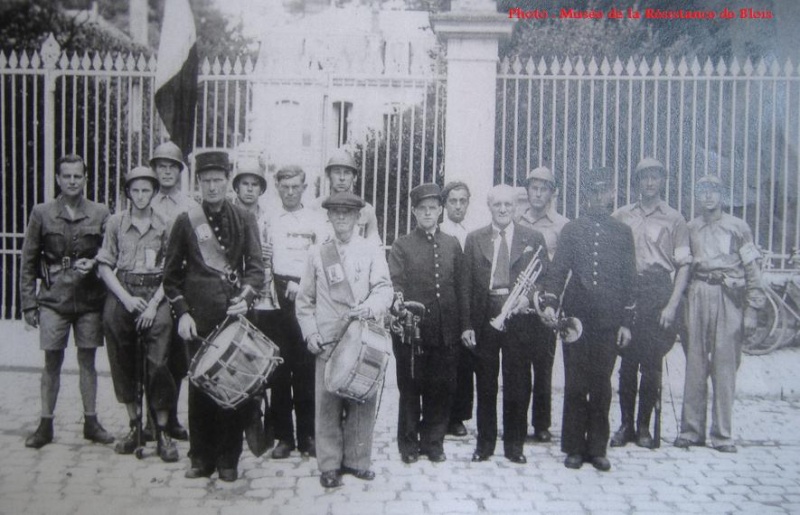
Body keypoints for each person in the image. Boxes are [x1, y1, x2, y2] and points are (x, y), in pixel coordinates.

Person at [163, 150, 265, 482]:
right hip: (198, 319)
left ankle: (228, 458)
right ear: (199, 183)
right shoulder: (185, 221)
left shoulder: (244, 219)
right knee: (199, 387)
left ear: (227, 181)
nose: (212, 187)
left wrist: (246, 298)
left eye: (218, 180)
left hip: (232, 317)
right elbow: (171, 278)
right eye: (206, 181)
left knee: (232, 387)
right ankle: (200, 457)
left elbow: (255, 270)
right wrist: (182, 314)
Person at [539, 167, 636, 471]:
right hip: (575, 320)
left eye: (603, 191)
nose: (598, 197)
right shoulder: (572, 230)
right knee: (576, 382)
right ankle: (574, 447)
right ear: (585, 196)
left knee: (602, 384)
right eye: (592, 191)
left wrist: (625, 323)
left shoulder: (622, 232)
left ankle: (597, 447)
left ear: (611, 195)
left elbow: (629, 280)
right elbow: (557, 271)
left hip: (608, 321)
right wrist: (552, 303)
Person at [296, 191, 393, 488]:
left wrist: (372, 306)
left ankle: (357, 461)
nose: (341, 217)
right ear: (328, 216)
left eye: (347, 213)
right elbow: (304, 301)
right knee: (327, 403)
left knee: (363, 399)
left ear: (357, 217)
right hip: (328, 338)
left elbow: (384, 289)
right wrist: (310, 332)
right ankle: (328, 465)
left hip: (362, 338)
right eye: (336, 212)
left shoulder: (371, 250)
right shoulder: (317, 253)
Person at [20, 154, 115, 449]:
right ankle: (45, 424)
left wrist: (96, 261)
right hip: (53, 299)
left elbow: (113, 250)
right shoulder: (42, 213)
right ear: (58, 179)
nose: (72, 181)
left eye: (78, 176)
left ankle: (91, 422)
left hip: (89, 300)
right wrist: (28, 304)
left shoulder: (100, 213)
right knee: (52, 361)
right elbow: (28, 260)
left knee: (88, 360)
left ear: (85, 179)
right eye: (67, 176)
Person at [674, 174, 764, 453]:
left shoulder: (738, 228)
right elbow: (684, 267)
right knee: (695, 364)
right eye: (702, 192)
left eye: (713, 191)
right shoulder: (690, 228)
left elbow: (752, 271)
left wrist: (751, 310)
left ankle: (722, 434)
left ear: (722, 195)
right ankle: (691, 430)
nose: (708, 197)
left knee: (725, 365)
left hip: (728, 296)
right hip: (699, 293)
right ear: (696, 196)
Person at [459, 184, 548, 464]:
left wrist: (531, 298)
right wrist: (467, 324)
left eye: (508, 205)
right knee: (485, 383)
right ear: (489, 207)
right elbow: (465, 287)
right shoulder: (475, 239)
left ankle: (514, 445)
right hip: (486, 318)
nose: (503, 209)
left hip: (519, 319)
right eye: (497, 204)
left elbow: (545, 277)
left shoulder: (533, 237)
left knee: (518, 383)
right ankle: (484, 445)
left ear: (516, 207)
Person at [97, 166, 178, 462]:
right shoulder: (115, 223)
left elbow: (172, 271)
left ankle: (162, 430)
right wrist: (127, 299)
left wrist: (155, 303)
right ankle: (134, 426)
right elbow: (105, 266)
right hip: (124, 292)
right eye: (135, 190)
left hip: (157, 293)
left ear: (154, 192)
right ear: (127, 193)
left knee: (158, 361)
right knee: (122, 359)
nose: (141, 196)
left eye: (146, 190)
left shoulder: (166, 224)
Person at [610, 158, 691, 449]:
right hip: (628, 290)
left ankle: (644, 426)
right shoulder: (621, 215)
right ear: (636, 181)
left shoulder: (675, 219)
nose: (649, 182)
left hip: (658, 292)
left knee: (652, 363)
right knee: (627, 363)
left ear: (663, 181)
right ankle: (625, 425)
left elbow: (683, 266)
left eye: (655, 177)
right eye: (644, 177)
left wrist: (671, 306)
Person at [389, 183, 464, 463]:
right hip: (413, 331)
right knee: (410, 388)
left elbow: (461, 286)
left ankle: (434, 443)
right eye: (423, 208)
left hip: (445, 330)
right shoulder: (401, 245)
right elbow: (395, 283)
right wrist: (400, 310)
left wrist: (462, 325)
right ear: (414, 212)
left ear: (441, 210)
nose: (428, 213)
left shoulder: (452, 244)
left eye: (433, 208)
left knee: (440, 388)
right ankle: (408, 445)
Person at [265, 165, 325, 459]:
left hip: (305, 296)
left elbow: (321, 261)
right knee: (278, 367)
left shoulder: (316, 221)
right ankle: (283, 437)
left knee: (305, 368)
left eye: (295, 187)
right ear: (277, 187)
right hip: (275, 297)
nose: (290, 192)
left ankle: (307, 435)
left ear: (305, 187)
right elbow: (263, 259)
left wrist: (301, 287)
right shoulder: (269, 219)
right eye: (284, 187)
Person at [148, 140, 198, 441]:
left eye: (172, 167)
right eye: (161, 167)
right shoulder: (144, 200)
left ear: (180, 171)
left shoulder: (190, 206)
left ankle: (174, 418)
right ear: (154, 170)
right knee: (154, 356)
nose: (166, 172)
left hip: (180, 287)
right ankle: (153, 421)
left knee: (179, 357)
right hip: (149, 287)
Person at [516, 166, 570, 444]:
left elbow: (562, 268)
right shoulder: (517, 219)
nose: (538, 193)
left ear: (552, 192)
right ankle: (518, 422)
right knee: (519, 365)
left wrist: (554, 303)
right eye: (533, 188)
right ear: (527, 191)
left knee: (544, 365)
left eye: (544, 189)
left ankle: (542, 423)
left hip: (547, 303)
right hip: (520, 300)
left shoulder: (561, 225)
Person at [231, 156, 277, 454]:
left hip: (263, 293)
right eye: (244, 184)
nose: (249, 190)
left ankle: (259, 415)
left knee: (262, 354)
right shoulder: (229, 214)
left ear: (261, 189)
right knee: (238, 355)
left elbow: (271, 256)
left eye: (254, 185)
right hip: (235, 294)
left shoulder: (267, 218)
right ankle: (242, 414)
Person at [440, 181, 473, 437]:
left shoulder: (472, 234)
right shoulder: (439, 232)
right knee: (444, 362)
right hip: (446, 304)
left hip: (469, 304)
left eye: (463, 201)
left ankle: (458, 417)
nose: (458, 206)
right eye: (453, 201)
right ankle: (441, 414)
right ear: (444, 204)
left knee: (465, 363)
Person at [313, 148, 381, 245]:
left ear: (355, 177)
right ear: (328, 175)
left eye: (347, 173)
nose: (342, 178)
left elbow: (375, 245)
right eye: (337, 172)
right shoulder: (315, 207)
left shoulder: (366, 210)